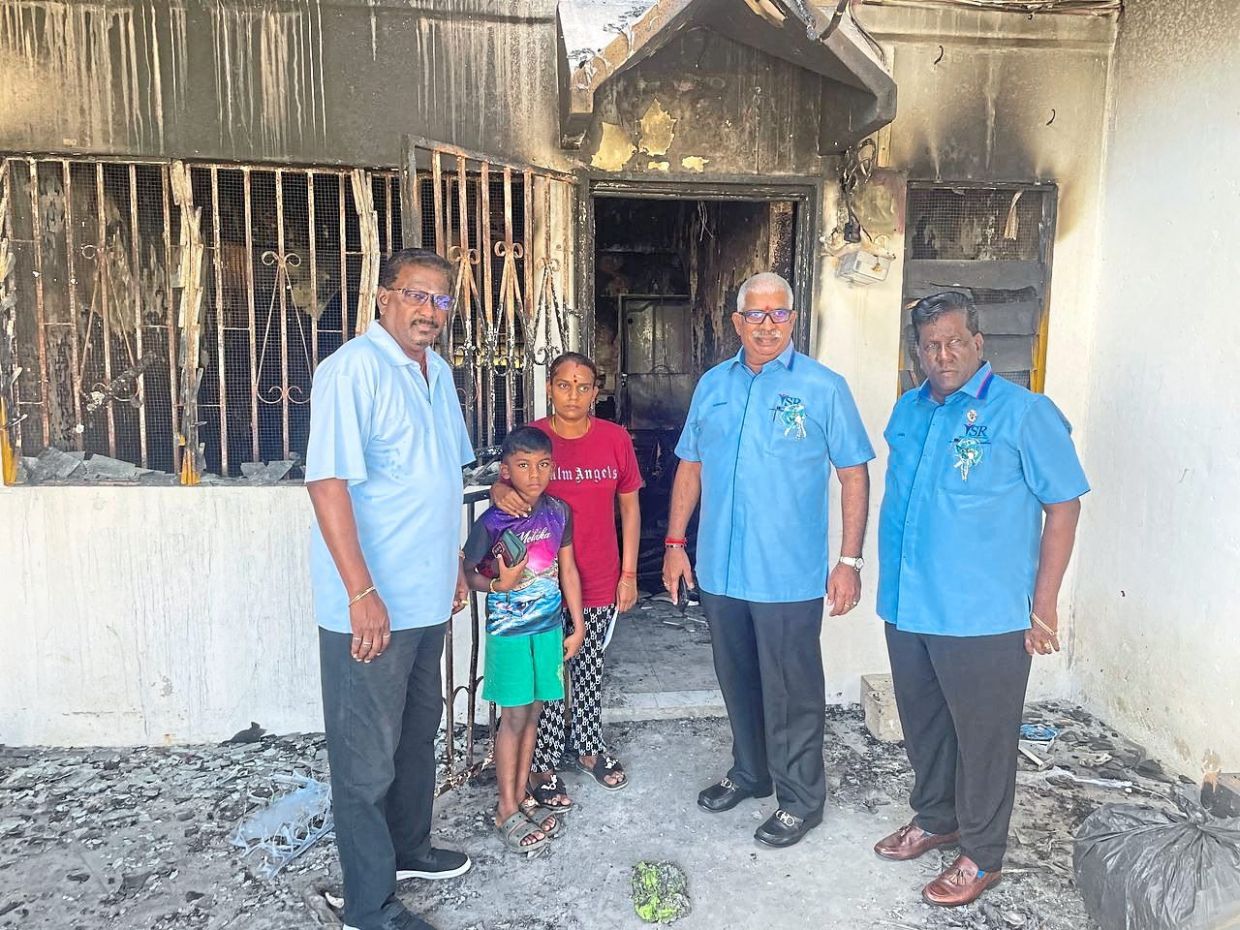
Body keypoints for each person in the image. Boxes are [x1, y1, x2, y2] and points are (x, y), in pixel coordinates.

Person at [874, 291, 1088, 907]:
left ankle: (983, 854)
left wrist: (1042, 606)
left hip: (984, 615)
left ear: (978, 343)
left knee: (985, 738)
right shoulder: (909, 411)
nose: (943, 355)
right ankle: (938, 818)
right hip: (910, 603)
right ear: (918, 351)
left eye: (954, 342)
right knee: (926, 726)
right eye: (931, 345)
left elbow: (1063, 506)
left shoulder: (1024, 413)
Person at [662, 271, 874, 849]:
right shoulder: (712, 385)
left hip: (787, 573)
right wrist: (676, 544)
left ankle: (801, 799)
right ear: (737, 322)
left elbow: (854, 472)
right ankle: (752, 773)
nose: (767, 325)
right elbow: (691, 465)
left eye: (778, 314)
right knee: (738, 679)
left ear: (792, 319)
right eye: (755, 315)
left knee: (792, 690)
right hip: (721, 570)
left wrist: (849, 561)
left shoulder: (822, 387)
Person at [306, 248, 474, 930]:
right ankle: (368, 906)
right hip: (370, 606)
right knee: (364, 758)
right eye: (416, 296)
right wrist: (359, 591)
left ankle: (409, 848)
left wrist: (457, 561)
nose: (429, 311)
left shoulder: (436, 373)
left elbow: (441, 480)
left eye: (441, 301)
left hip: (427, 594)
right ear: (384, 299)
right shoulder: (352, 371)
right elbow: (327, 484)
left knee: (414, 737)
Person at [489, 352, 642, 810]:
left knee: (589, 665)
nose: (573, 395)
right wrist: (499, 490)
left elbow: (630, 507)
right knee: (550, 674)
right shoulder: (535, 438)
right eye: (563, 385)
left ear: (596, 392)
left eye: (583, 386)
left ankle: (589, 748)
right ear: (549, 388)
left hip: (597, 576)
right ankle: (544, 761)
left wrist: (630, 574)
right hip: (541, 584)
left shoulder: (615, 439)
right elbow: (506, 482)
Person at [462, 426, 587, 852]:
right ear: (506, 470)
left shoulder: (558, 512)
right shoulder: (493, 521)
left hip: (548, 630)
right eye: (523, 465)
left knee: (532, 715)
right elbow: (469, 574)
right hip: (510, 634)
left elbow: (567, 570)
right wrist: (500, 584)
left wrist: (579, 623)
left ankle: (519, 798)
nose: (534, 475)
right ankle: (504, 808)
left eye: (542, 465)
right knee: (513, 719)